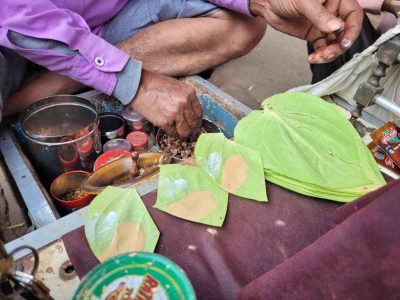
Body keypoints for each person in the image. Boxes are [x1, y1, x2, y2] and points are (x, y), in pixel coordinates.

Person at [0, 0, 363, 137]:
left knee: (245, 21)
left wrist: (262, 2)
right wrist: (137, 83)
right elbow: (16, 16)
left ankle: (67, 74)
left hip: (98, 17)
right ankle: (70, 71)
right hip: (13, 33)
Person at [308, 0, 398, 83]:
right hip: (379, 46)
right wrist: (386, 2)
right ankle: (321, 89)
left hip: (391, 69)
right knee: (332, 12)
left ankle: (321, 91)